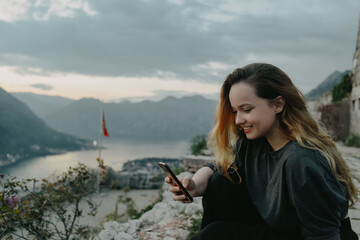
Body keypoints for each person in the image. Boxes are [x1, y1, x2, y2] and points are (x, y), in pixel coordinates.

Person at [165, 63, 359, 240]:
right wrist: (194, 186)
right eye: (234, 111)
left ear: (278, 104)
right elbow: (215, 167)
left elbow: (323, 235)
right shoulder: (254, 143)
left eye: (246, 109)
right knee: (220, 182)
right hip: (280, 230)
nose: (238, 120)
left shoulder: (302, 160)